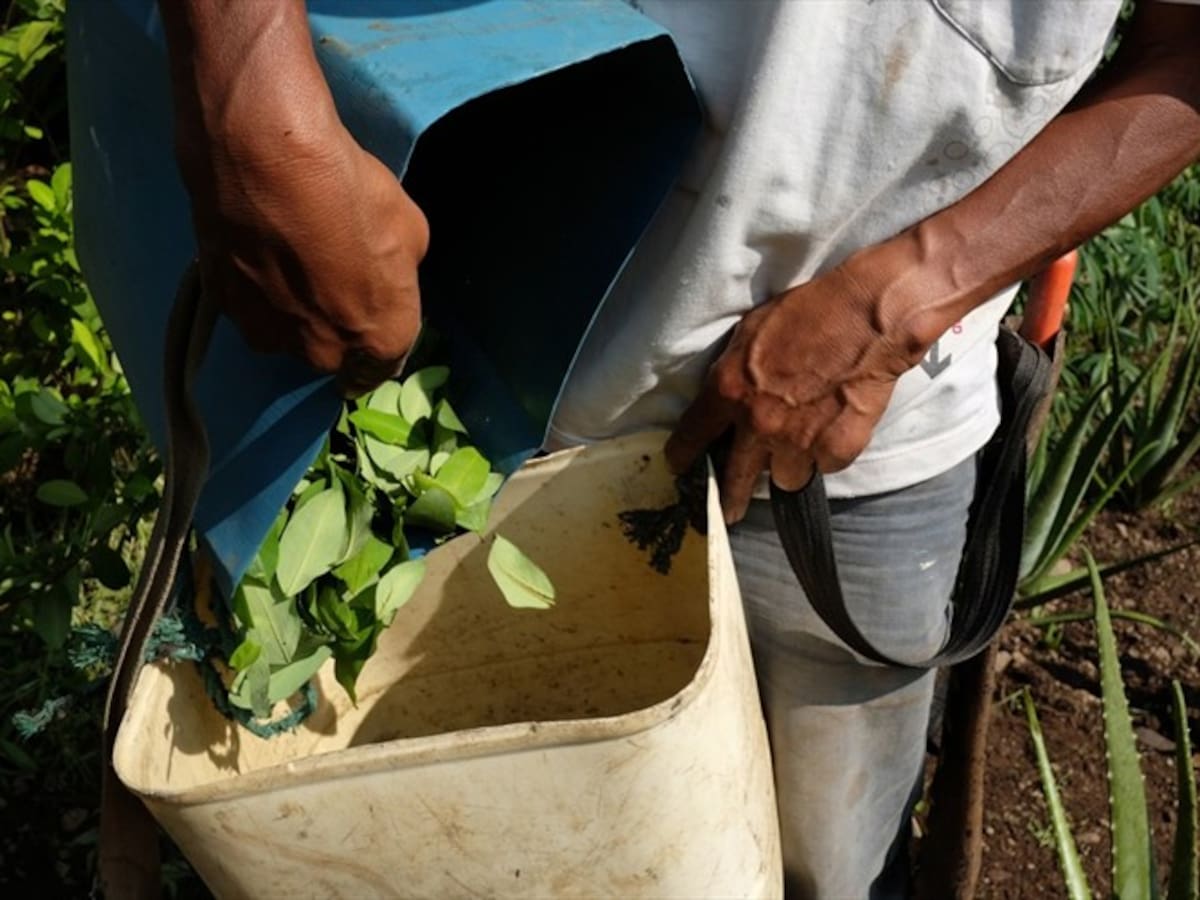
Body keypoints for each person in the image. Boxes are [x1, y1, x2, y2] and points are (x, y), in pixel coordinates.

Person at [159, 0, 1200, 896]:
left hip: (849, 451)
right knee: (477, 845)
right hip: (452, 360)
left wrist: (908, 299)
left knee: (825, 865)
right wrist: (247, 103)